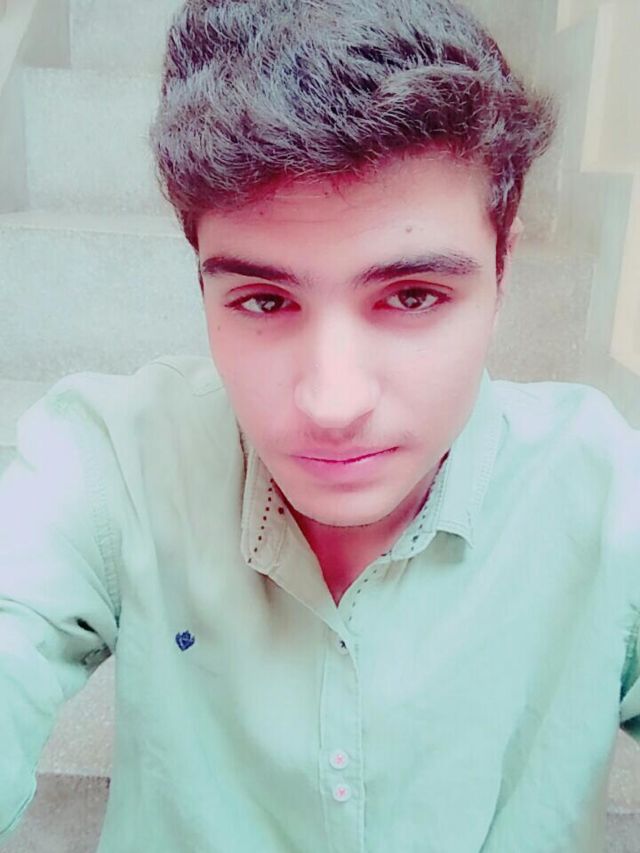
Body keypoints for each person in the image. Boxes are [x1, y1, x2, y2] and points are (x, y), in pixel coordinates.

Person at [1, 1, 639, 851]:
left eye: (412, 296)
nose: (333, 402)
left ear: (503, 267)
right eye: (264, 301)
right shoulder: (112, 463)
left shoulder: (607, 499)